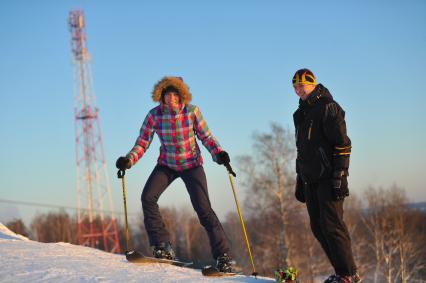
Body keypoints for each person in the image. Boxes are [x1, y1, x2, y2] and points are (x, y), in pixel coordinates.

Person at [116, 76, 233, 272]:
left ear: (181, 95)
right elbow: (143, 142)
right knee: (148, 197)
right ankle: (162, 246)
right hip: (167, 164)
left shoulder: (192, 111)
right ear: (161, 96)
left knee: (203, 209)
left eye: (174, 94)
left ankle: (224, 257)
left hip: (192, 164)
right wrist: (129, 160)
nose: (170, 98)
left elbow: (207, 137)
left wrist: (219, 154)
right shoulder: (154, 115)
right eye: (166, 94)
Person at [292, 69, 361, 283]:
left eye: (302, 85)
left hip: (329, 177)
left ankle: (349, 275)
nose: (299, 90)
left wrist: (340, 174)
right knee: (318, 226)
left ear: (313, 84)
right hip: (310, 178)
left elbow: (342, 144)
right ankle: (342, 273)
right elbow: (301, 149)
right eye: (295, 86)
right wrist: (299, 179)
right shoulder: (299, 114)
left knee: (332, 225)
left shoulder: (328, 108)